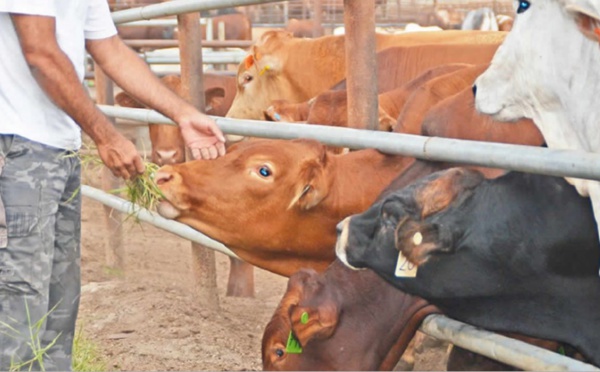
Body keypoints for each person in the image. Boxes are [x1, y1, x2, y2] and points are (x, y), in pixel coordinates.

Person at [0, 1, 227, 370]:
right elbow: (39, 52)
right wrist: (106, 135)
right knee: (16, 302)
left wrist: (183, 113)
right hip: (14, 150)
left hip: (59, 149)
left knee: (58, 304)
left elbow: (111, 49)